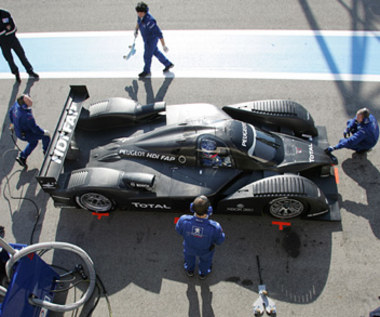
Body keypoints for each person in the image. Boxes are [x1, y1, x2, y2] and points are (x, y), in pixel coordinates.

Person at [175, 195, 225, 279]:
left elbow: (179, 231)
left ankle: (189, 270)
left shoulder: (183, 220)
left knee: (189, 259)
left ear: (192, 207)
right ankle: (203, 274)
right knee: (206, 262)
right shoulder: (215, 227)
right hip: (206, 250)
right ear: (209, 210)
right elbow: (220, 241)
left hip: (189, 247)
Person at [9, 94, 50, 168]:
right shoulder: (27, 116)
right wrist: (43, 132)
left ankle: (22, 157)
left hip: (19, 132)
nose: (30, 101)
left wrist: (12, 124)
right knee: (45, 137)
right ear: (24, 104)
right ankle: (47, 152)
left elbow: (10, 112)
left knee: (33, 142)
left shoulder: (16, 105)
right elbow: (34, 128)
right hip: (26, 134)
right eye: (28, 101)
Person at [134, 2, 174, 79]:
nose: (139, 14)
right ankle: (168, 64)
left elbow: (159, 33)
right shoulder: (140, 16)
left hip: (151, 40)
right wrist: (136, 30)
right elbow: (138, 21)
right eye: (138, 12)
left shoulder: (150, 21)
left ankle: (147, 71)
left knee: (147, 56)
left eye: (140, 12)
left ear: (144, 12)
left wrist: (164, 45)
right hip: (146, 39)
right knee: (155, 52)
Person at [0, 9, 39, 83]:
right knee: (9, 60)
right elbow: (7, 28)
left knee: (22, 56)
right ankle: (16, 73)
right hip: (3, 44)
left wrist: (3, 31)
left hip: (13, 40)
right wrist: (5, 29)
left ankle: (30, 71)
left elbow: (13, 27)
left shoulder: (5, 14)